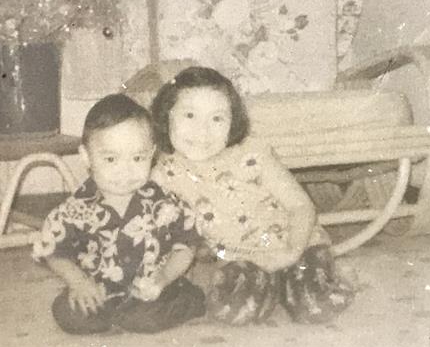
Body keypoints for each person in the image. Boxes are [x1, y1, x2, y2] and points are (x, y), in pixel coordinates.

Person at [150, 66, 354, 325]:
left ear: (232, 122)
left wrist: (291, 252)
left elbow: (301, 206)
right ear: (166, 116)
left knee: (314, 307)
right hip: (243, 259)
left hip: (297, 245)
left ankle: (333, 277)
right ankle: (275, 287)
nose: (203, 131)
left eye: (217, 119)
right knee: (229, 311)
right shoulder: (164, 172)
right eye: (190, 115)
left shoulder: (252, 154)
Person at [33, 94, 205, 334]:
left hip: (152, 290)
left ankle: (191, 299)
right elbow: (53, 251)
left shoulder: (165, 204)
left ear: (152, 154)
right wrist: (79, 283)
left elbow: (186, 246)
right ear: (86, 157)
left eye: (137, 158)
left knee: (146, 320)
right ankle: (115, 314)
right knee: (67, 313)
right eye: (111, 159)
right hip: (99, 291)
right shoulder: (74, 209)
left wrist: (163, 278)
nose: (125, 170)